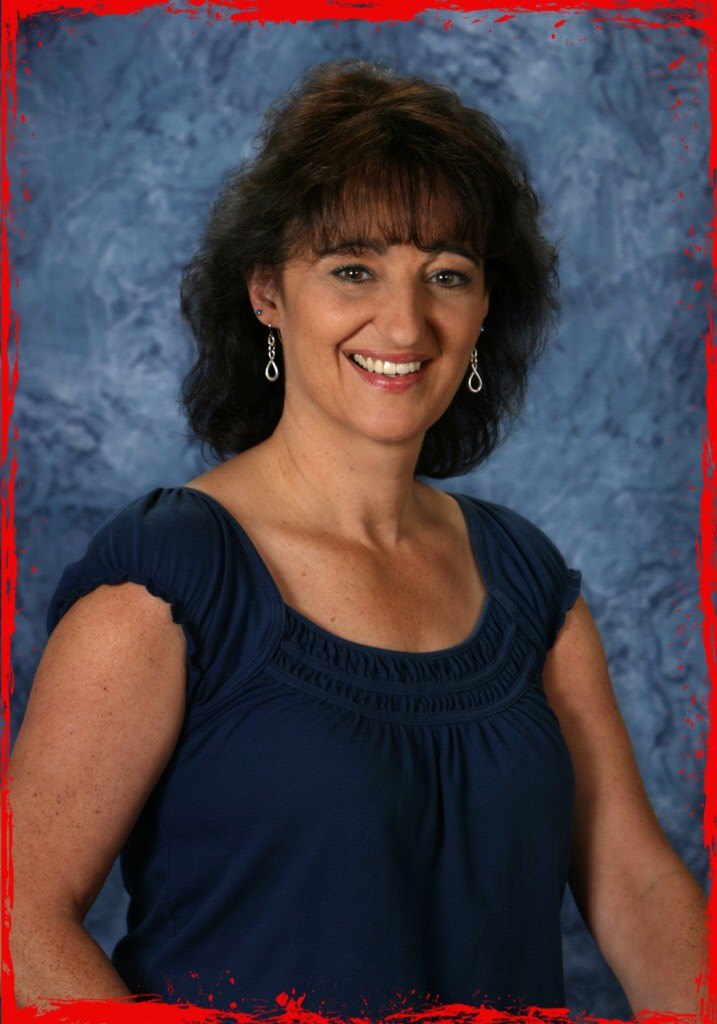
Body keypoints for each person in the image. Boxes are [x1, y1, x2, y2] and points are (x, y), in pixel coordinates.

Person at [10, 59, 708, 1018]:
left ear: (483, 310)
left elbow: (635, 883)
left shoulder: (528, 582)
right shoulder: (171, 580)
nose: (404, 322)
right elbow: (19, 917)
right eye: (352, 269)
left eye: (446, 275)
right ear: (266, 292)